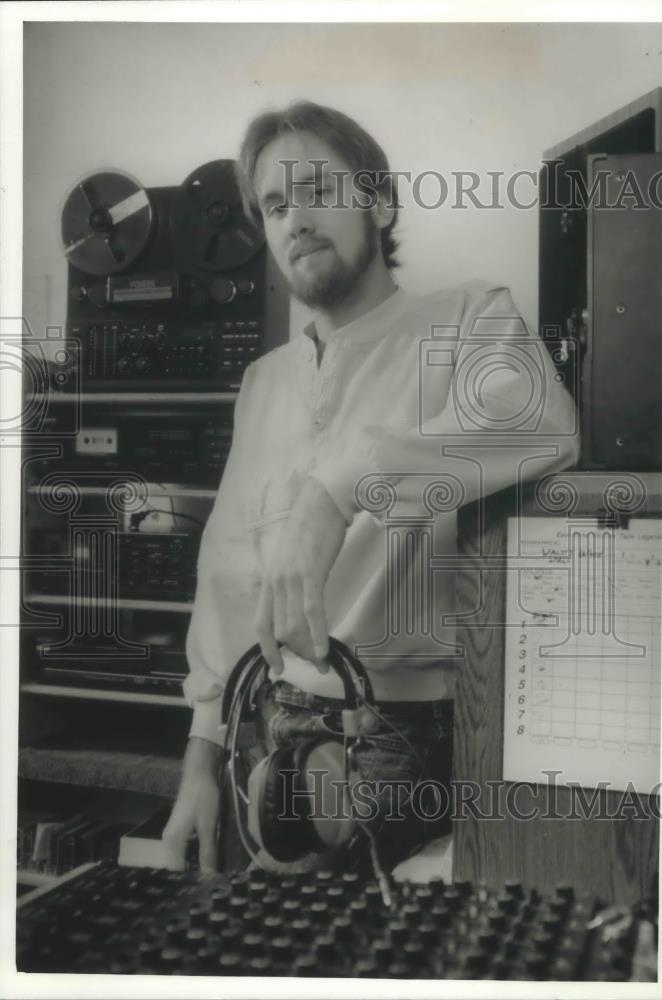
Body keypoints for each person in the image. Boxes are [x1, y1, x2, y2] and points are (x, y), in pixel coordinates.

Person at [162, 100, 580, 875]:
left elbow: (542, 423)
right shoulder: (263, 382)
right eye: (277, 206)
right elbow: (226, 578)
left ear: (380, 202)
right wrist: (201, 761)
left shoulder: (469, 317)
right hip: (270, 726)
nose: (296, 220)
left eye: (318, 190)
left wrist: (336, 488)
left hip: (412, 729)